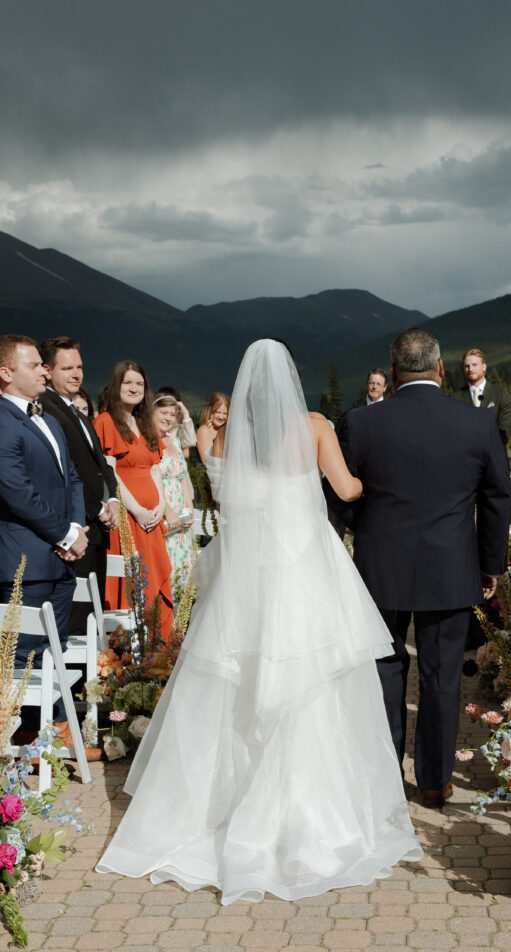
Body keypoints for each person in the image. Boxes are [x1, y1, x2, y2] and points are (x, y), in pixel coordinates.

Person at [97, 339, 422, 901]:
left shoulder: (231, 435)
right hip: (306, 565)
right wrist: (368, 483)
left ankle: (219, 806)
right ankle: (316, 814)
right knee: (316, 680)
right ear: (293, 380)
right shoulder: (316, 425)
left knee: (238, 681)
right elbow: (346, 488)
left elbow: (229, 504)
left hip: (253, 568)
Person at [326, 328, 511, 806]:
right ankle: (433, 782)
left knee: (386, 670)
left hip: (379, 569)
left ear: (392, 373)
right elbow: (495, 498)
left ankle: (386, 778)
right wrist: (490, 565)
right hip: (450, 569)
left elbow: (338, 494)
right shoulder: (476, 424)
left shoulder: (362, 423)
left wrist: (369, 531)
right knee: (441, 675)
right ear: (442, 368)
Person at [0, 334, 96, 756]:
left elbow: (72, 478)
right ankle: (18, 745)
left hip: (60, 561)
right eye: (35, 364)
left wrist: (76, 528)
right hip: (26, 560)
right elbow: (14, 490)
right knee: (20, 658)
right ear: (6, 374)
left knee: (52, 654)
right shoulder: (2, 420)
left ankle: (51, 736)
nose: (44, 370)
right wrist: (64, 534)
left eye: (44, 364)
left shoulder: (51, 419)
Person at [39, 337, 119, 634]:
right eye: (68, 368)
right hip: (76, 529)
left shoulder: (78, 412)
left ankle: (90, 680)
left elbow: (102, 467)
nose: (77, 374)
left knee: (91, 620)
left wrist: (112, 502)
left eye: (80, 367)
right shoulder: (45, 410)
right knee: (74, 621)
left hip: (98, 530)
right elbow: (63, 472)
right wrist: (96, 508)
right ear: (47, 370)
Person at [94, 360, 173, 637]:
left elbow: (154, 468)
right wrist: (138, 510)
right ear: (116, 385)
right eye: (128, 382)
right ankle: (128, 657)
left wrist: (161, 505)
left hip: (152, 518)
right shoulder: (106, 421)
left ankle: (158, 651)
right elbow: (110, 473)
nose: (134, 388)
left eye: (139, 383)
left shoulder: (144, 422)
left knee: (155, 578)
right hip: (128, 519)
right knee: (133, 581)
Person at [152, 393, 195, 598]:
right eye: (163, 412)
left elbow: (181, 477)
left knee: (182, 568)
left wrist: (188, 507)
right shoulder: (147, 441)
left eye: (172, 414)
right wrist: (168, 512)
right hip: (162, 510)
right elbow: (149, 479)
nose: (168, 418)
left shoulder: (174, 442)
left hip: (181, 515)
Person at [455, 347, 511, 445]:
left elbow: (505, 428)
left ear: (484, 367)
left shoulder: (500, 394)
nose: (470, 369)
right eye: (467, 366)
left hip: (493, 455)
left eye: (474, 365)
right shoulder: (455, 397)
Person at [155, 385, 197, 457]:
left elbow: (190, 442)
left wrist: (186, 415)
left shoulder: (176, 427)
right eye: (164, 412)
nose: (168, 418)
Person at [196, 391, 230, 465]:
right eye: (218, 412)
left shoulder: (227, 430)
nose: (221, 417)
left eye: (225, 413)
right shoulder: (204, 431)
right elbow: (207, 462)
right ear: (210, 411)